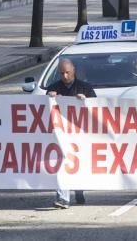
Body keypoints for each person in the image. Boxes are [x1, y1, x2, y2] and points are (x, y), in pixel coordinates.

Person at [46, 58, 96, 209]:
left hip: (79, 135)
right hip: (60, 135)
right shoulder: (53, 88)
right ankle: (63, 198)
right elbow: (41, 109)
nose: (65, 76)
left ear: (73, 71)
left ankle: (78, 190)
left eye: (67, 73)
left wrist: (85, 101)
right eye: (62, 73)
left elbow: (97, 110)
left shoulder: (85, 87)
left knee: (77, 164)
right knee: (61, 163)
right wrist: (48, 98)